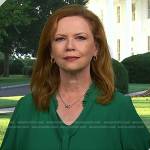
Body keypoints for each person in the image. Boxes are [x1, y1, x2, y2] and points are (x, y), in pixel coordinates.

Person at [1, 4, 150, 150]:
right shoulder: (26, 108)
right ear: (51, 52)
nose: (70, 46)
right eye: (60, 38)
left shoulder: (120, 108)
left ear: (96, 48)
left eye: (80, 37)